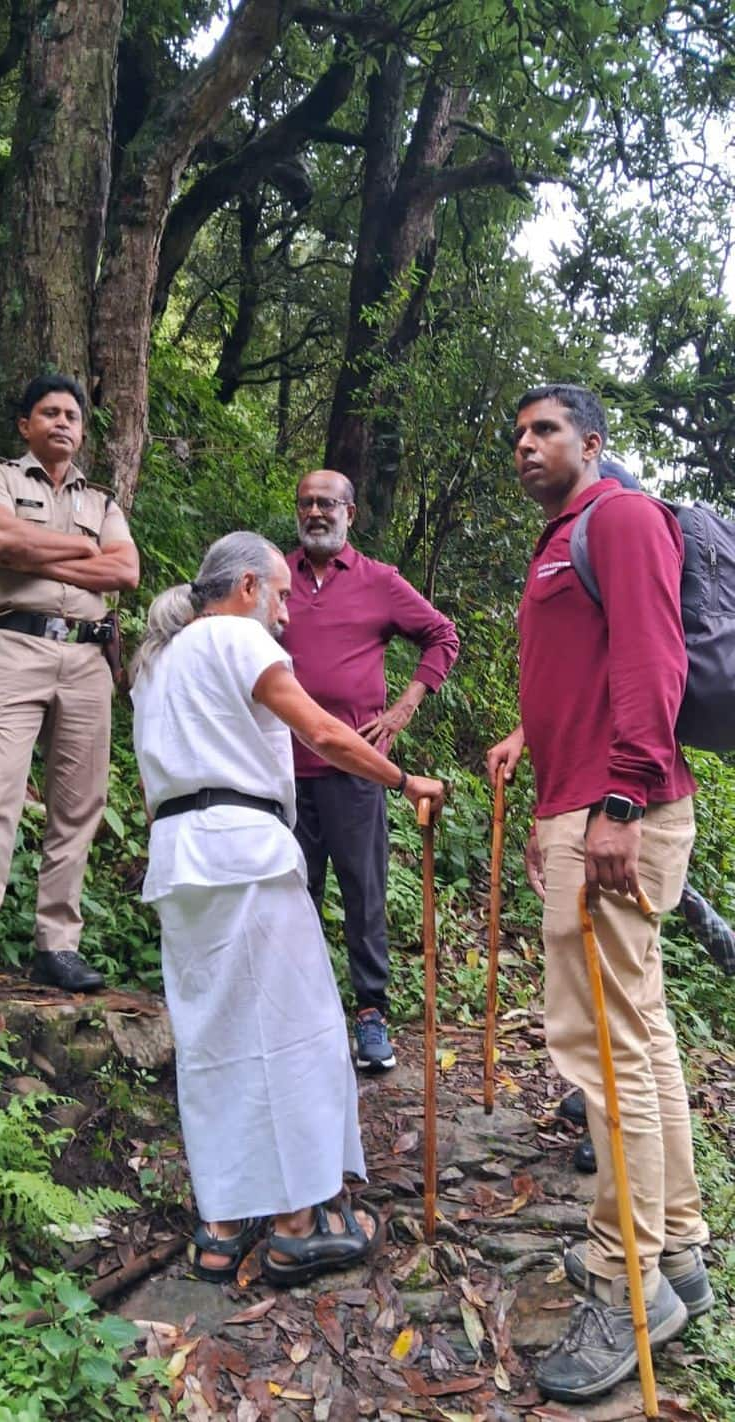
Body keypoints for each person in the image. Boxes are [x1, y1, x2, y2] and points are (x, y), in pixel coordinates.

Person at [130, 531, 444, 1284]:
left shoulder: (156, 665)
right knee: (296, 1032)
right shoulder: (235, 639)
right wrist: (406, 782)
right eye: (277, 596)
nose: (284, 615)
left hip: (182, 858)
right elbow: (327, 732)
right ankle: (300, 1221)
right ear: (244, 587)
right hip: (244, 853)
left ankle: (221, 1224)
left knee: (216, 1043)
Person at [486, 384, 711, 1405]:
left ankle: (625, 1285)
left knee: (602, 1052)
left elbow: (651, 661)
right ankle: (676, 1252)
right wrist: (544, 779)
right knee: (640, 1034)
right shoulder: (564, 535)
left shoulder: (615, 517)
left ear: (591, 441)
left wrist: (614, 802)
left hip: (611, 811)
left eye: (545, 430)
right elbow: (577, 675)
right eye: (518, 433)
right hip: (581, 805)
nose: (526, 444)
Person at [0, 374, 139, 1018]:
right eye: (48, 413)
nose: (61, 423)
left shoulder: (102, 500)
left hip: (86, 659)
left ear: (82, 431)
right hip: (14, 649)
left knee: (77, 807)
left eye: (72, 416)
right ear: (25, 424)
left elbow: (125, 571)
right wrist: (82, 551)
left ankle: (57, 944)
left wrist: (40, 555)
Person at [283, 469, 459, 1070]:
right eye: (307, 502)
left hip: (357, 772)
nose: (316, 512)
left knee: (364, 895)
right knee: (290, 896)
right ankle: (300, 1015)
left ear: (350, 513)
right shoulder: (274, 579)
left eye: (328, 503)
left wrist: (405, 707)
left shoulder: (379, 582)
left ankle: (371, 1016)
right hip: (281, 772)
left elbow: (442, 636)